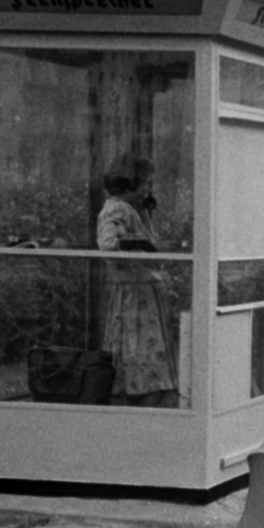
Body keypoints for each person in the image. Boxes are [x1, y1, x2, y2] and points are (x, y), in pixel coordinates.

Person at [97, 152, 178, 407]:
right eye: (144, 184)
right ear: (130, 184)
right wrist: (142, 246)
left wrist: (147, 216)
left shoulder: (131, 210)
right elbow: (108, 243)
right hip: (136, 291)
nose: (147, 189)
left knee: (138, 348)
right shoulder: (118, 209)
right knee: (143, 349)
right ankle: (143, 391)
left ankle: (141, 389)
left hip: (139, 291)